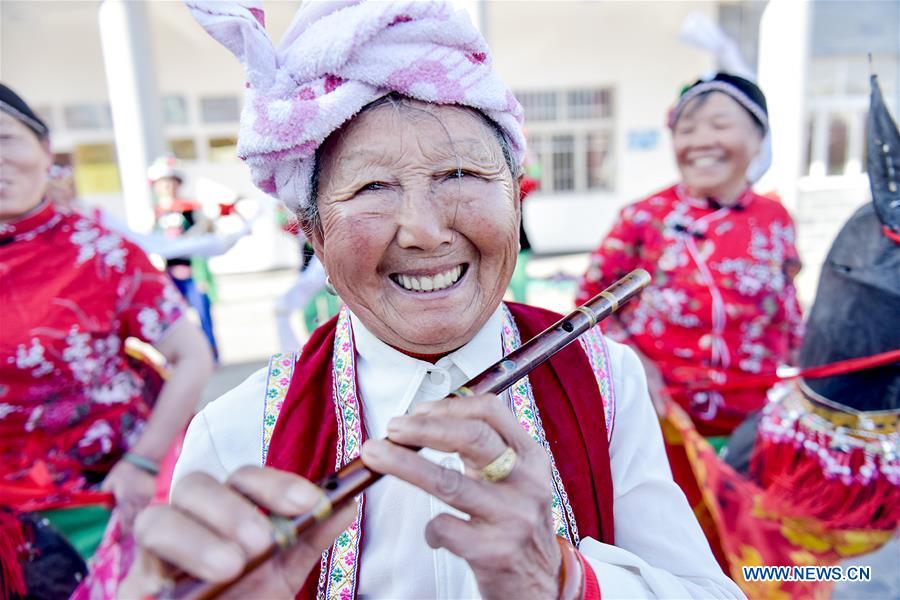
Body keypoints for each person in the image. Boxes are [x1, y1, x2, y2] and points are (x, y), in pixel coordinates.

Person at [122, 3, 743, 599]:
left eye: (462, 176)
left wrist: (563, 581)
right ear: (312, 234)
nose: (424, 230)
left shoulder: (605, 378)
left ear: (517, 200)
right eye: (372, 186)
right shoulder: (236, 430)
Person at [0, 83, 214, 594]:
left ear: (44, 149)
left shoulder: (101, 254)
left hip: (94, 512)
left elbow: (192, 356)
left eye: (5, 139)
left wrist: (143, 462)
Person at [576, 73, 804, 439]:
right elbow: (589, 304)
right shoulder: (643, 217)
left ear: (759, 139)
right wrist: (635, 365)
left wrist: (808, 367)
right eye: (687, 129)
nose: (700, 141)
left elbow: (789, 306)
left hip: (755, 426)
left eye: (720, 125)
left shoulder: (775, 219)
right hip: (661, 423)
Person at [148, 156, 222, 361]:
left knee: (203, 314)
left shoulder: (191, 209)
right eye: (163, 183)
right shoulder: (154, 214)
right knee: (171, 319)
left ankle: (211, 354)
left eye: (172, 182)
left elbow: (208, 232)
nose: (168, 187)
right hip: (168, 275)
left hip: (193, 273)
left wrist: (206, 225)